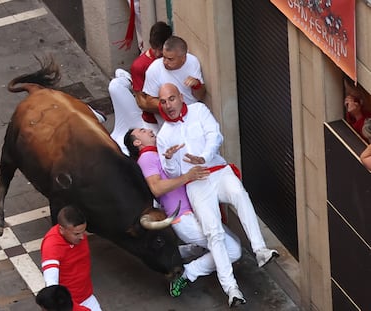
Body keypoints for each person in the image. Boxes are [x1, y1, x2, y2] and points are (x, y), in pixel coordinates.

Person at [156, 83, 279, 304]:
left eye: (171, 99)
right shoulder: (164, 135)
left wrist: (203, 157)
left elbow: (216, 136)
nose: (168, 105)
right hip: (196, 182)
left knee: (239, 194)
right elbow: (171, 173)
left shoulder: (199, 110)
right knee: (214, 234)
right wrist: (169, 158)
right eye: (164, 102)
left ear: (181, 98)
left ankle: (260, 249)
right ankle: (231, 289)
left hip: (217, 170)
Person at [123, 127, 244, 306]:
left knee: (229, 244)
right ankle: (188, 273)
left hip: (194, 213)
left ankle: (182, 253)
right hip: (185, 218)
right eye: (142, 131)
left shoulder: (157, 154)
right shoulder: (147, 158)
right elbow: (156, 188)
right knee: (233, 250)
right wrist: (188, 176)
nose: (149, 130)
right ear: (137, 142)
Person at [109, 21, 173, 154]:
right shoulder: (139, 65)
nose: (157, 53)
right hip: (151, 119)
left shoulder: (175, 59)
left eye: (161, 49)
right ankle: (124, 80)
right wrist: (168, 106)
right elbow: (141, 103)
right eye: (154, 47)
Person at [41, 206, 102, 311]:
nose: (82, 237)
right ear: (61, 229)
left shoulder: (77, 235)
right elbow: (52, 286)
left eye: (83, 231)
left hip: (87, 297)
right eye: (77, 234)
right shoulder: (51, 247)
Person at [142, 35, 206, 113]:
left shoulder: (193, 62)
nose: (165, 62)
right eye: (164, 57)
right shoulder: (154, 69)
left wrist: (197, 85)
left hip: (193, 112)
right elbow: (150, 101)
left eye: (170, 59)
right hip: (169, 118)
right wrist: (171, 106)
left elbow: (200, 96)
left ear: (183, 58)